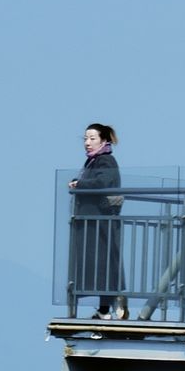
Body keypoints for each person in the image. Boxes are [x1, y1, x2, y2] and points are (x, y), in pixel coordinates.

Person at [68, 123, 128, 319]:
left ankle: (112, 301)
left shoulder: (106, 160)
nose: (87, 143)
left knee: (104, 263)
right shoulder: (93, 162)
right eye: (85, 139)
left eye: (92, 138)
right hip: (93, 222)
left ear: (104, 141)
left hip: (101, 222)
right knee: (100, 264)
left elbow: (102, 183)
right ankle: (106, 308)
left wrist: (80, 184)